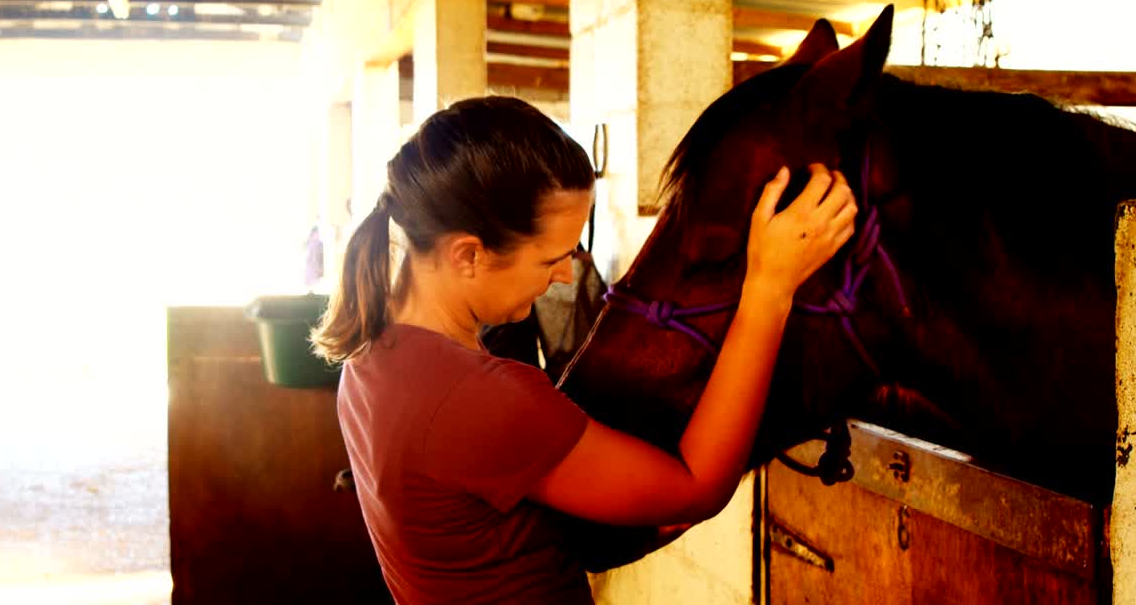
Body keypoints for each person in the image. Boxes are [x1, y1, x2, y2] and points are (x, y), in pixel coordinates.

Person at [311, 96, 857, 604]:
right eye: (551, 258)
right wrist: (769, 288)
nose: (566, 275)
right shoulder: (481, 396)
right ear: (467, 255)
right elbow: (697, 488)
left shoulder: (370, 355)